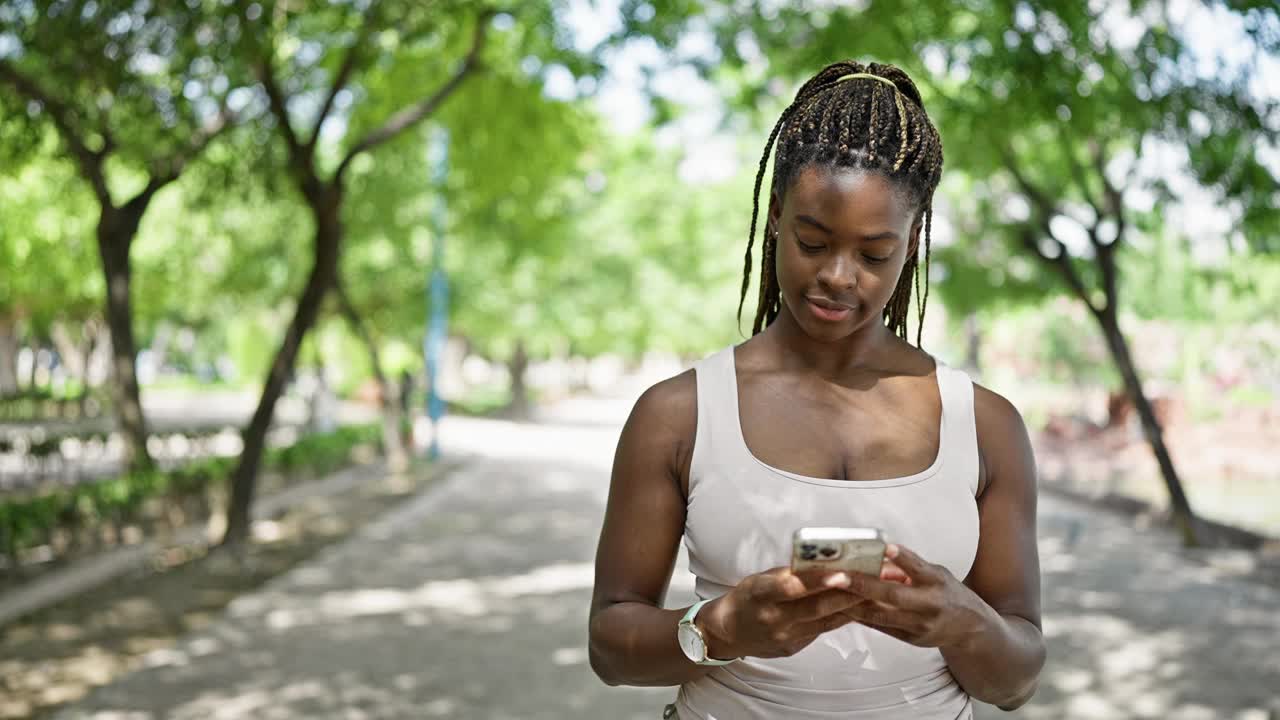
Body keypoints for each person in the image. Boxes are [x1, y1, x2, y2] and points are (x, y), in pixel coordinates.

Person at [588, 60, 1045, 719]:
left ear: (912, 244)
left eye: (873, 254)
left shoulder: (986, 425)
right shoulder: (678, 415)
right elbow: (609, 646)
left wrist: (962, 623)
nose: (837, 276)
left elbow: (1017, 681)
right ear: (775, 216)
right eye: (812, 240)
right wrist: (719, 629)